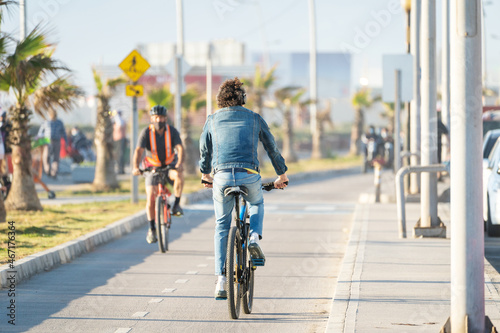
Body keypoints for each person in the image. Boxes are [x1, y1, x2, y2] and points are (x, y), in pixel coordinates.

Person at [199, 77, 289, 299]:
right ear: (243, 99)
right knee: (256, 202)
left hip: (220, 177)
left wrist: (205, 173)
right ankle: (254, 238)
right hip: (249, 175)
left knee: (222, 225)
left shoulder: (212, 120)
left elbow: (204, 149)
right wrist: (281, 174)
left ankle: (221, 280)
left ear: (221, 100)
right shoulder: (255, 118)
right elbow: (271, 147)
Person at [132, 105, 185, 244]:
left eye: (161, 117)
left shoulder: (172, 131)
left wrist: (179, 163)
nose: (158, 120)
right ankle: (152, 229)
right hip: (152, 167)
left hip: (169, 165)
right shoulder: (146, 132)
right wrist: (135, 167)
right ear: (151, 118)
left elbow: (179, 148)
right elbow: (139, 151)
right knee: (150, 197)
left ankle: (177, 205)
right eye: (156, 117)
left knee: (179, 177)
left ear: (166, 118)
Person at [37, 109, 67, 179]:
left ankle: (54, 173)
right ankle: (47, 170)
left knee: (56, 158)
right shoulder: (46, 122)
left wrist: (66, 142)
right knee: (46, 156)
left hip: (57, 141)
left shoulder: (59, 122)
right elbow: (40, 132)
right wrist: (38, 141)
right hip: (47, 141)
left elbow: (63, 133)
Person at [112, 110, 127, 174]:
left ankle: (121, 169)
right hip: (117, 140)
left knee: (120, 155)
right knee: (117, 155)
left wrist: (115, 115)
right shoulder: (117, 121)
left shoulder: (120, 121)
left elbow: (119, 123)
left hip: (120, 140)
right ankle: (119, 169)